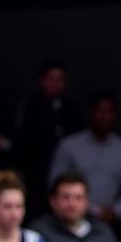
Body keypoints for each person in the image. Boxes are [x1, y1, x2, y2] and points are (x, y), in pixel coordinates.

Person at [48, 92, 121, 229]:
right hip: (71, 217)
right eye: (99, 110)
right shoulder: (69, 145)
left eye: (109, 111)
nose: (104, 116)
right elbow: (54, 183)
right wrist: (88, 208)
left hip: (115, 221)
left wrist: (116, 211)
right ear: (91, 113)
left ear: (115, 115)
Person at [13, 59, 83, 218]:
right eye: (51, 78)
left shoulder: (72, 108)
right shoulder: (31, 105)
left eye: (60, 79)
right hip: (36, 172)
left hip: (66, 172)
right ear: (41, 80)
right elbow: (22, 141)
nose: (55, 83)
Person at [31, 172, 121, 242]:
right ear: (53, 201)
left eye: (78, 198)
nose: (72, 204)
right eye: (66, 197)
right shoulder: (39, 231)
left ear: (87, 201)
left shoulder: (103, 231)